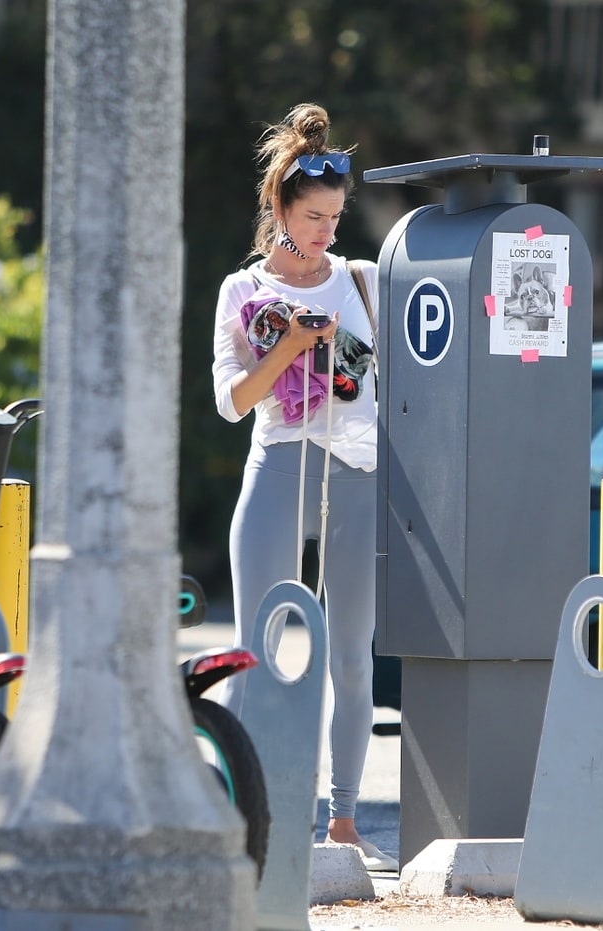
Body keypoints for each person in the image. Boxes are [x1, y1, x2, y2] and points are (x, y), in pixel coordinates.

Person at [212, 103, 397, 873]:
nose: (325, 229)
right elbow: (233, 402)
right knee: (254, 655)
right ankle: (245, 813)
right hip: (278, 468)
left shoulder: (358, 279)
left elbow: (387, 380)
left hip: (355, 476)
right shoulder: (240, 289)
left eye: (335, 216)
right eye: (313, 215)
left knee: (351, 657)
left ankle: (345, 819)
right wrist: (290, 342)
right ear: (280, 208)